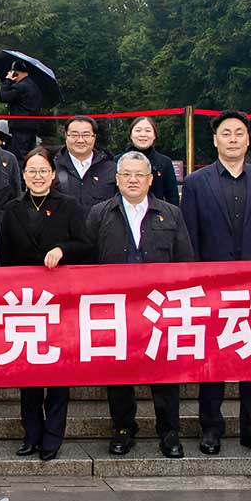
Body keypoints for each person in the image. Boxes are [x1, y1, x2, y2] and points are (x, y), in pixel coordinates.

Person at [181, 110, 251, 458]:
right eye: (226, 133)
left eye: (239, 133)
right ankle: (211, 429)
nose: (232, 139)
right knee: (211, 362)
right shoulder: (196, 183)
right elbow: (190, 238)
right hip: (212, 289)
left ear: (248, 139)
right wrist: (195, 283)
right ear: (215, 140)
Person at [87, 151, 195, 459]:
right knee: (119, 371)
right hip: (116, 309)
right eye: (127, 175)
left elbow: (185, 262)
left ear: (150, 180)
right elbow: (87, 261)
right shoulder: (100, 213)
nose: (133, 180)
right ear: (117, 179)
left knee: (164, 372)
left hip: (160, 308)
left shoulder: (170, 214)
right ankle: (123, 428)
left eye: (139, 175)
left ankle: (169, 431)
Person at [0, 146, 92, 461]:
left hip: (60, 303)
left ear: (53, 174)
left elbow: (86, 245)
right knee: (28, 374)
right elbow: (4, 254)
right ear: (23, 176)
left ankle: (53, 436)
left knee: (58, 374)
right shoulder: (12, 209)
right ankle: (31, 434)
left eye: (43, 171)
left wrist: (63, 249)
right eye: (31, 171)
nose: (37, 177)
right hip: (25, 303)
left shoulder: (70, 206)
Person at [53, 116, 117, 210]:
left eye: (86, 135)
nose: (80, 140)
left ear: (94, 137)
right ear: (66, 136)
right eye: (75, 135)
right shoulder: (52, 167)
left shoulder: (111, 169)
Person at [124, 116, 179, 205]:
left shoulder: (164, 162)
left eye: (148, 131)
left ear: (154, 136)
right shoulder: (118, 161)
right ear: (131, 135)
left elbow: (172, 197)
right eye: (138, 130)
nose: (143, 134)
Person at [0, 59, 44, 161]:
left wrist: (8, 81)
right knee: (30, 154)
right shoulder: (34, 86)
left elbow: (3, 97)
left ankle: (21, 171)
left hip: (20, 126)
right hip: (32, 125)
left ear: (16, 73)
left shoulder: (21, 86)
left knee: (20, 156)